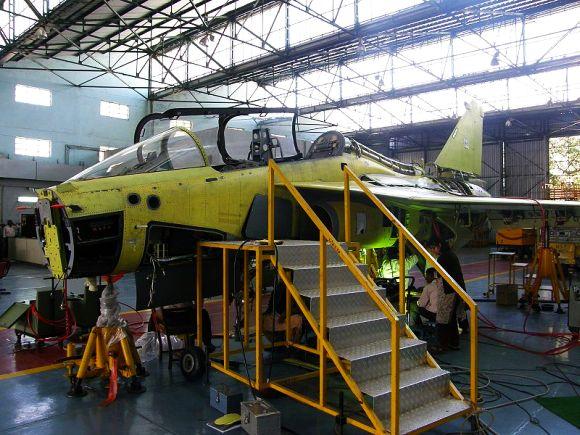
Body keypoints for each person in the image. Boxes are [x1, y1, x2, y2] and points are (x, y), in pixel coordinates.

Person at [428, 238, 466, 352]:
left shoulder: (443, 257)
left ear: (439, 245)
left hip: (449, 292)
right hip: (457, 290)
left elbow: (440, 275)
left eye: (434, 248)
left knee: (443, 318)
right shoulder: (451, 255)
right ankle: (454, 342)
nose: (433, 251)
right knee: (452, 318)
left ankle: (442, 344)